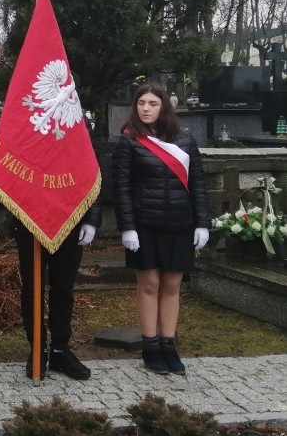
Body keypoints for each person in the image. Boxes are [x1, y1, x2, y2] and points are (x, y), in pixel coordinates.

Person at [112, 83, 209, 376]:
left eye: (152, 103)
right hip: (145, 225)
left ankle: (169, 344)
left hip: (180, 224)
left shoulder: (185, 140)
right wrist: (127, 228)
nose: (146, 108)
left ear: (163, 106)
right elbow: (122, 188)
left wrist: (203, 223)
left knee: (172, 285)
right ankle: (150, 346)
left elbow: (198, 185)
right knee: (150, 284)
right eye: (141, 103)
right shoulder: (129, 141)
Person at [13, 202, 100, 380]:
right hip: (30, 218)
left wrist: (91, 219)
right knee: (32, 288)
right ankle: (38, 349)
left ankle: (60, 349)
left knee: (63, 287)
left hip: (69, 217)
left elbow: (92, 177)